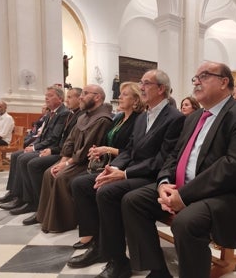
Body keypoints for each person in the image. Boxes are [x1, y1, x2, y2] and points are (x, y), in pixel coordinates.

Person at [121, 61, 236, 278]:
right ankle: (158, 270)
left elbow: (233, 166)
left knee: (186, 223)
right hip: (183, 186)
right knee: (133, 201)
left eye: (204, 76)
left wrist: (184, 195)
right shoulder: (194, 117)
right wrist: (163, 183)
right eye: (195, 78)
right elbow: (174, 155)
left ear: (224, 82)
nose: (196, 81)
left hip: (224, 194)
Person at [66, 69, 185, 278]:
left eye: (146, 83)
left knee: (106, 192)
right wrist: (112, 168)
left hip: (151, 176)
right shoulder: (144, 117)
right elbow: (130, 150)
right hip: (132, 171)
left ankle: (118, 260)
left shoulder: (174, 118)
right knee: (82, 184)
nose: (141, 87)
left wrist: (126, 173)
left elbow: (163, 159)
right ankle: (98, 243)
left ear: (161, 88)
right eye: (141, 83)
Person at [70, 81, 145, 249]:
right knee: (77, 182)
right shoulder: (119, 118)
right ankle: (90, 232)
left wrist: (109, 150)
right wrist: (99, 150)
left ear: (135, 100)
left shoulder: (139, 120)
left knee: (86, 185)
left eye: (125, 94)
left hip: (126, 166)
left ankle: (101, 238)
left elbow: (132, 151)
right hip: (112, 163)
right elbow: (108, 140)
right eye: (120, 93)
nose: (120, 97)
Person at [35, 84, 113, 233]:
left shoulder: (103, 119)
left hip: (87, 162)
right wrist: (64, 160)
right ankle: (45, 216)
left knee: (61, 176)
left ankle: (62, 222)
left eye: (85, 93)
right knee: (48, 172)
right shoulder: (84, 116)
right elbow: (70, 140)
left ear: (97, 97)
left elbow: (87, 149)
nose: (81, 97)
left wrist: (67, 164)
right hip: (73, 159)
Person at [0, 86, 69, 213]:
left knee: (24, 159)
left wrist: (35, 147)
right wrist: (33, 145)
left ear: (60, 98)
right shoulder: (51, 113)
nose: (46, 98)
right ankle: (15, 193)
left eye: (50, 95)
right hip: (44, 146)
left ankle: (31, 201)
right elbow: (42, 135)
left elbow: (54, 138)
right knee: (16, 155)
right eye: (46, 95)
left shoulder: (63, 113)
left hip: (52, 149)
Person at [19, 87, 86, 225]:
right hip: (61, 152)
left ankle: (41, 207)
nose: (67, 100)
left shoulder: (75, 115)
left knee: (34, 164)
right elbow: (64, 139)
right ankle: (29, 200)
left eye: (70, 97)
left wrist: (55, 153)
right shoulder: (71, 114)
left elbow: (70, 143)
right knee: (21, 157)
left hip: (65, 154)